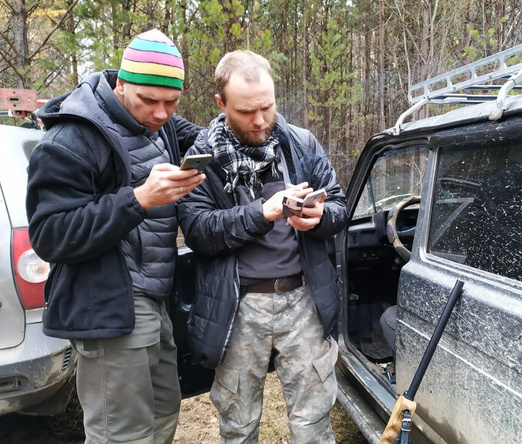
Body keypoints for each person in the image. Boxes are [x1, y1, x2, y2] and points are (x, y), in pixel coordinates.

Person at [26, 29, 204, 443]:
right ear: (120, 84)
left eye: (172, 102)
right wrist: (139, 199)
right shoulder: (72, 138)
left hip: (156, 298)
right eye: (149, 101)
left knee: (162, 416)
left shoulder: (162, 125)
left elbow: (209, 136)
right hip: (109, 307)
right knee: (120, 435)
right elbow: (50, 234)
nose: (162, 113)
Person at [177, 50, 348, 443]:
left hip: (303, 300)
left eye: (267, 107)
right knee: (238, 423)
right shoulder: (203, 161)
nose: (259, 120)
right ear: (221, 104)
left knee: (313, 421)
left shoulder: (301, 144)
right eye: (245, 112)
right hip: (239, 308)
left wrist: (320, 219)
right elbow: (199, 231)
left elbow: (339, 205)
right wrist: (261, 212)